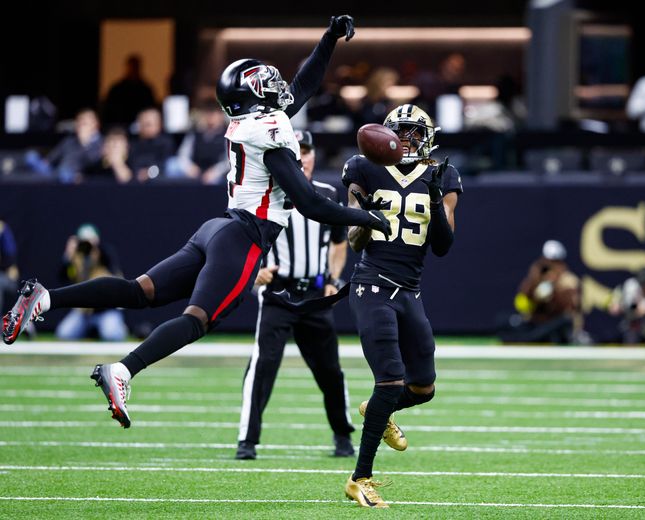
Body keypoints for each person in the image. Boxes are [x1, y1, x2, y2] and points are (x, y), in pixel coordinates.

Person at [2, 16, 392, 432]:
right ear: (253, 94)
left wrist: (329, 39)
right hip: (244, 237)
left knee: (140, 291)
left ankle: (45, 299)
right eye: (266, 82)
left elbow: (303, 85)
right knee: (196, 320)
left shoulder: (252, 121)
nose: (277, 87)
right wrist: (369, 216)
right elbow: (312, 202)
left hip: (218, 229)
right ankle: (124, 370)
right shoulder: (268, 133)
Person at [341, 104, 463, 508]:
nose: (407, 141)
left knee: (423, 387)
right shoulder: (364, 168)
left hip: (410, 291)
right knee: (391, 380)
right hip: (372, 284)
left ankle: (377, 408)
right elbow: (354, 238)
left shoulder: (442, 174)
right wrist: (366, 216)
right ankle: (360, 478)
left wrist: (432, 198)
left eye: (414, 133)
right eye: (400, 132)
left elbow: (443, 246)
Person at [235, 130, 355, 461]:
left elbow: (339, 241)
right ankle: (247, 441)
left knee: (330, 371)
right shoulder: (265, 195)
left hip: (315, 295)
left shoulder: (328, 193)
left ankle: (343, 435)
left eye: (306, 150)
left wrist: (333, 277)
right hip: (278, 293)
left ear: (314, 155)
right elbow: (240, 236)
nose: (301, 156)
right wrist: (254, 271)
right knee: (261, 368)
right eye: (295, 150)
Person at [498, 240, 582, 345]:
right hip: (536, 322)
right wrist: (535, 282)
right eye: (547, 262)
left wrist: (555, 289)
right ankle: (528, 337)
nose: (551, 266)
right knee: (504, 320)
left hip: (553, 323)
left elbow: (570, 310)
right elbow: (523, 301)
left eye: (554, 262)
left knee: (565, 321)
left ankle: (532, 338)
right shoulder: (536, 276)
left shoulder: (569, 280)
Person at [55, 224, 128, 342]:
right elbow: (63, 277)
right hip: (83, 311)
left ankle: (118, 326)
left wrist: (96, 247)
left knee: (112, 336)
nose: (86, 245)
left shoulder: (103, 253)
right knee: (64, 334)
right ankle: (91, 331)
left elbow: (112, 266)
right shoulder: (75, 258)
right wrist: (68, 255)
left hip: (105, 310)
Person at [27, 108, 103, 183]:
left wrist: (84, 142)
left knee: (65, 174)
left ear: (96, 124)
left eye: (85, 123)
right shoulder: (69, 141)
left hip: (78, 179)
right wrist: (46, 163)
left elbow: (93, 164)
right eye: (79, 122)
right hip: (58, 174)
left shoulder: (101, 143)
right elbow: (51, 159)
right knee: (31, 156)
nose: (81, 126)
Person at [165, 104, 229, 184]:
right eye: (207, 113)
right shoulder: (195, 133)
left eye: (214, 113)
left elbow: (228, 161)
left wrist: (215, 172)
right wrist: (189, 167)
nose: (211, 117)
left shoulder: (227, 135)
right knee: (172, 165)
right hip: (195, 170)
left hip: (216, 173)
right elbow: (183, 155)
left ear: (221, 116)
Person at [102, 54, 157, 129]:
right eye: (131, 67)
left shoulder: (146, 89)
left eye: (135, 67)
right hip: (120, 126)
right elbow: (109, 111)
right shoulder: (117, 88)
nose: (133, 70)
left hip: (141, 127)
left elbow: (150, 109)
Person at [128, 108, 176, 182]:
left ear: (159, 125)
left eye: (148, 124)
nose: (144, 127)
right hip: (135, 183)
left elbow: (166, 165)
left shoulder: (166, 142)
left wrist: (150, 172)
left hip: (160, 184)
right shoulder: (132, 143)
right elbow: (131, 164)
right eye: (141, 123)